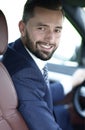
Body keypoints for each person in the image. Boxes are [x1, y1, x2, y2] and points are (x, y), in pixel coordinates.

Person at [2, 0, 85, 130]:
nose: (50, 39)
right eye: (42, 28)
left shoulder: (17, 52)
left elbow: (39, 91)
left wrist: (72, 82)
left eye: (57, 30)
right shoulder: (23, 73)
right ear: (22, 28)